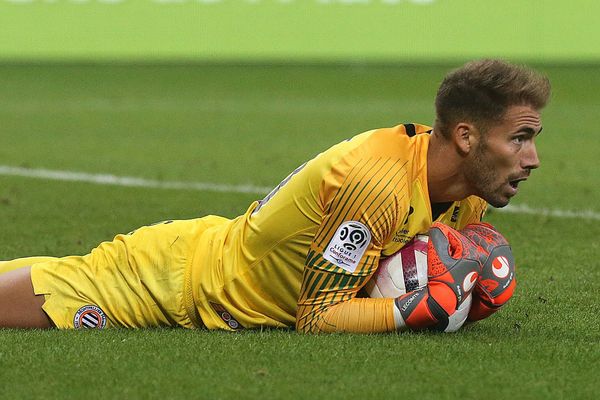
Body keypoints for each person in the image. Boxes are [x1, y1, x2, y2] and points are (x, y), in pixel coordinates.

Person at [0, 59, 550, 333]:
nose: (531, 159)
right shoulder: (377, 183)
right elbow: (318, 316)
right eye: (519, 138)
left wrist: (464, 292)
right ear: (466, 136)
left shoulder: (468, 193)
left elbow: (396, 268)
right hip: (171, 284)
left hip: (212, 258)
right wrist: (419, 308)